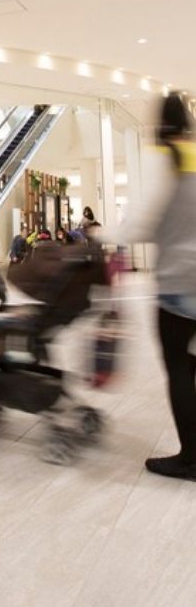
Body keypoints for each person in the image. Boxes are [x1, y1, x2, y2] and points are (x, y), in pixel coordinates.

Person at [103, 94, 196, 480]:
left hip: (179, 284)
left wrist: (103, 235)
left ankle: (190, 458)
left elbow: (143, 221)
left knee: (179, 368)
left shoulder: (167, 157)